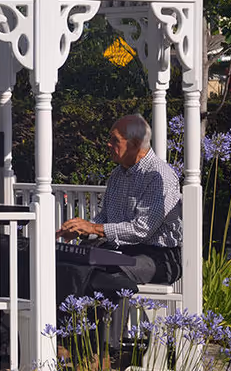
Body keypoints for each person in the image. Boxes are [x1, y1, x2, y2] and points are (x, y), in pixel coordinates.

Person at [56, 114, 182, 350]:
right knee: (68, 262)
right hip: (121, 250)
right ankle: (66, 339)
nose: (108, 145)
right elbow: (105, 219)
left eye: (115, 140)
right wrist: (81, 231)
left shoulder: (160, 176)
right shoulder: (117, 174)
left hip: (159, 256)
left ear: (135, 144)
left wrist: (93, 228)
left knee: (108, 275)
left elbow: (142, 229)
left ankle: (103, 351)